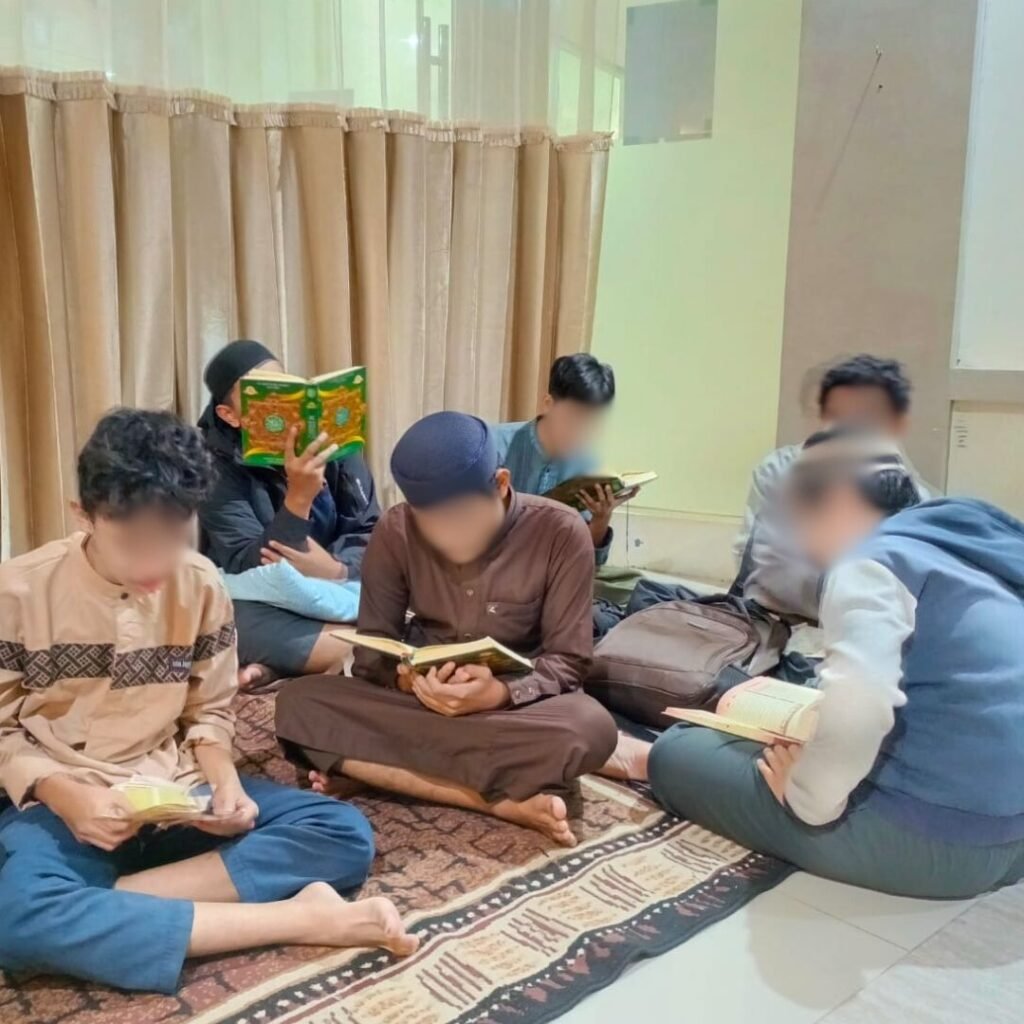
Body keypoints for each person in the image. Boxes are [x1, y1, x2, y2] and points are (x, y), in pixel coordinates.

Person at [0, 409, 415, 994]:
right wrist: (66, 796)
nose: (155, 564)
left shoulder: (201, 584)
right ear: (83, 515)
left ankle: (94, 905)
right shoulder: (17, 592)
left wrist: (225, 783)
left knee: (341, 832)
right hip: (67, 803)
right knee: (17, 925)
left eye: (174, 538)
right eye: (133, 543)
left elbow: (209, 711)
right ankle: (303, 918)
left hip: (177, 790)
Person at [606, 427, 1024, 899]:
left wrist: (805, 796)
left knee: (682, 749)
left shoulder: (871, 563)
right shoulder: (971, 547)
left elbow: (862, 703)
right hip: (1014, 839)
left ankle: (641, 758)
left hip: (939, 847)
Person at [276, 411, 618, 848]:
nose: (449, 539)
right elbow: (373, 654)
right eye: (433, 526)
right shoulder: (397, 529)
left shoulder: (560, 531)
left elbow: (568, 661)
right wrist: (410, 681)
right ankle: (500, 800)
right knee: (299, 702)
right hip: (417, 701)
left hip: (511, 710)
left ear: (500, 484)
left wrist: (498, 693)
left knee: (589, 728)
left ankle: (372, 768)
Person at [198, 339, 380, 680]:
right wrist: (299, 499)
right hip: (263, 599)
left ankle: (288, 664)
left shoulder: (332, 439)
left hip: (338, 586)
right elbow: (246, 563)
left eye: (283, 390)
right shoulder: (212, 464)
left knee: (399, 590)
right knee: (222, 618)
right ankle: (357, 651)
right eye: (263, 397)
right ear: (229, 415)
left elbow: (370, 529)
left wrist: (336, 569)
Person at [734, 354, 935, 621]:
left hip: (860, 615)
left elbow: (920, 544)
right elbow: (749, 556)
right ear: (806, 414)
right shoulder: (778, 468)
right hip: (782, 616)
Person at [493, 353, 630, 567]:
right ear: (548, 404)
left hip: (554, 574)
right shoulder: (495, 445)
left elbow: (586, 563)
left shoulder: (587, 465)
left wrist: (601, 518)